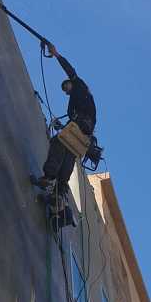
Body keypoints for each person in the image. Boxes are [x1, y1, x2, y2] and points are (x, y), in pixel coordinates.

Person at [33, 43, 97, 195]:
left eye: (66, 85)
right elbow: (72, 118)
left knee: (58, 142)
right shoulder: (74, 103)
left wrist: (56, 54)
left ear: (70, 83)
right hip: (85, 130)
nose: (65, 89)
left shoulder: (78, 86)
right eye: (64, 89)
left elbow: (69, 70)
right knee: (69, 151)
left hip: (83, 124)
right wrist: (62, 125)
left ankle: (49, 177)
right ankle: (61, 189)